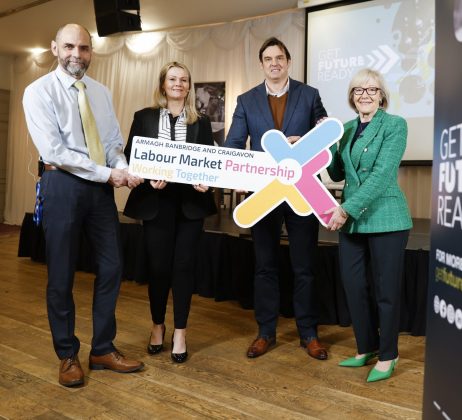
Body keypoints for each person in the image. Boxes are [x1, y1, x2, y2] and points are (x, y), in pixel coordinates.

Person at [22, 23, 144, 387]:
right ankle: (67, 354)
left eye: (84, 48)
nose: (77, 54)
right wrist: (109, 174)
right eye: (70, 47)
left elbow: (112, 143)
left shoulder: (101, 92)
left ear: (91, 52)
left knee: (112, 267)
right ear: (55, 48)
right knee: (61, 274)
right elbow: (55, 151)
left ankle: (103, 349)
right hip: (62, 185)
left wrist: (122, 169)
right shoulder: (37, 91)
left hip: (100, 189)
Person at [224, 37, 328, 360]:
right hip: (264, 194)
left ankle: (308, 333)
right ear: (261, 64)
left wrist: (306, 140)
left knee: (305, 267)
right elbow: (233, 145)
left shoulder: (309, 95)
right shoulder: (246, 100)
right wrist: (239, 175)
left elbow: (327, 137)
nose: (274, 63)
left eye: (279, 57)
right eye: (268, 58)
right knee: (265, 267)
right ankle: (265, 332)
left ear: (288, 61)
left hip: (303, 193)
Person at [123, 62, 217, 363]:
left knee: (184, 268)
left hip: (189, 204)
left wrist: (207, 181)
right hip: (155, 202)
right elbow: (131, 157)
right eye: (173, 79)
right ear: (163, 84)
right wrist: (148, 177)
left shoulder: (201, 121)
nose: (178, 83)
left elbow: (208, 160)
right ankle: (158, 325)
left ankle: (180, 332)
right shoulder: (144, 117)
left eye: (184, 79)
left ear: (189, 86)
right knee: (159, 268)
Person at [325, 68, 412, 382]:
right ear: (351, 96)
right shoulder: (346, 128)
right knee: (354, 286)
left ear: (382, 95)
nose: (365, 94)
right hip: (353, 223)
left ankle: (389, 355)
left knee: (386, 291)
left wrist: (346, 209)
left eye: (371, 90)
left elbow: (381, 175)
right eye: (358, 90)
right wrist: (328, 145)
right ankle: (366, 348)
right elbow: (336, 174)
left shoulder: (395, 125)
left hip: (386, 218)